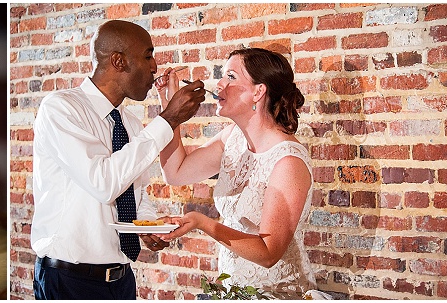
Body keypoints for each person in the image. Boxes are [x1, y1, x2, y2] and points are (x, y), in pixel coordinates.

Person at [30, 19, 206, 300]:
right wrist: (169, 118)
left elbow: (134, 191)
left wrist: (147, 225)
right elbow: (103, 183)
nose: (154, 67)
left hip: (121, 280)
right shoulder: (61, 108)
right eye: (148, 56)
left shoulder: (131, 124)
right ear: (118, 61)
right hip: (68, 280)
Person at [156, 48, 314, 299]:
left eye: (230, 76)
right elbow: (175, 172)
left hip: (274, 294)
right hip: (235, 292)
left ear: (258, 91)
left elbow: (268, 252)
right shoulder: (232, 139)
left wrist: (201, 222)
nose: (219, 84)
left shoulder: (288, 162)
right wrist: (169, 110)